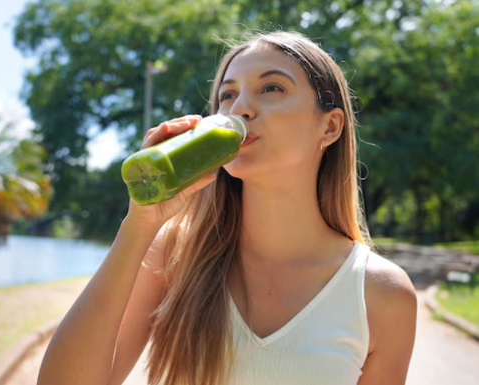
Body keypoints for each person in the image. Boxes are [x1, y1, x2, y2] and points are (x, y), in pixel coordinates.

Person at [37, 31, 417, 385]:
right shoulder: (174, 254)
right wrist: (139, 222)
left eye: (271, 88)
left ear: (330, 127)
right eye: (227, 95)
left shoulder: (381, 294)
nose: (241, 109)